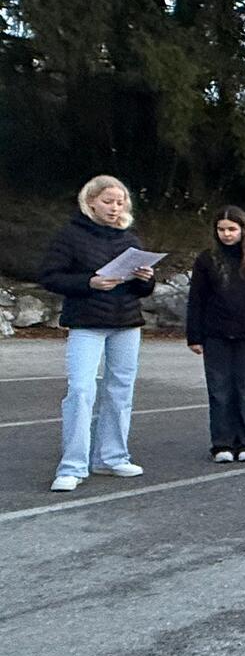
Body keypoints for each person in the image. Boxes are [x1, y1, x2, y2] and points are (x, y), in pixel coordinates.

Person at [38, 175, 157, 492]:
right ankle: (72, 466)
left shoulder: (129, 238)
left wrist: (146, 278)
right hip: (87, 322)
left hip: (126, 323)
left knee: (120, 390)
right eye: (108, 202)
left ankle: (112, 457)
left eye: (120, 202)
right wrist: (88, 282)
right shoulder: (70, 236)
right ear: (90, 202)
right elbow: (49, 276)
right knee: (80, 390)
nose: (115, 208)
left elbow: (143, 290)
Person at [185, 206, 245, 464]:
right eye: (221, 229)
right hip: (215, 334)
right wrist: (194, 336)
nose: (227, 234)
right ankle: (222, 443)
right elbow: (196, 299)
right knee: (219, 390)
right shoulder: (207, 260)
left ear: (243, 230)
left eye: (232, 229)